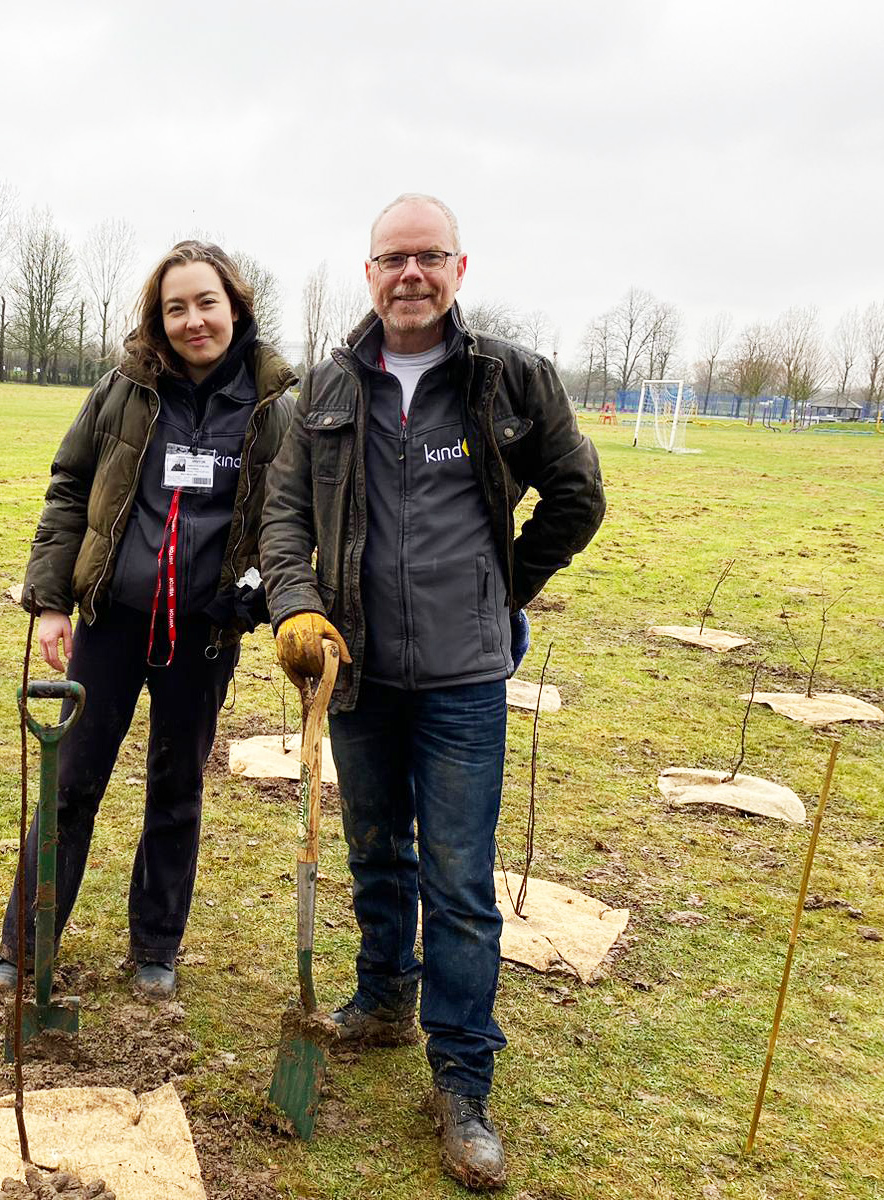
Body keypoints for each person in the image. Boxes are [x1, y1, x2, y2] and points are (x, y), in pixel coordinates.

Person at [259, 194, 605, 1190]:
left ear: (460, 268)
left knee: (458, 883)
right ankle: (381, 998)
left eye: (428, 257)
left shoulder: (510, 378)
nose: (409, 274)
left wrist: (509, 586)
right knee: (376, 850)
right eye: (391, 259)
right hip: (354, 670)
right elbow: (285, 512)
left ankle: (462, 1081)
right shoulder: (326, 387)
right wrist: (294, 607)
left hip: (463, 682)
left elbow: (577, 494)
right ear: (368, 275)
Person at [0, 240, 297, 1002]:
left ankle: (156, 945)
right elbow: (70, 488)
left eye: (206, 304)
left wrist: (252, 594)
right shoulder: (121, 392)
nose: (193, 321)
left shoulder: (275, 409)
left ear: (236, 308)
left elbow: (291, 517)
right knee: (71, 783)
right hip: (113, 623)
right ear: (158, 319)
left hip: (203, 636)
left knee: (176, 787)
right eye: (175, 307)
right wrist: (53, 600)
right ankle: (22, 949)